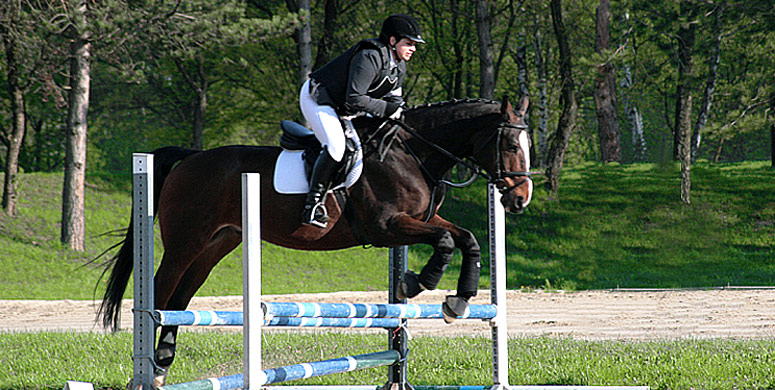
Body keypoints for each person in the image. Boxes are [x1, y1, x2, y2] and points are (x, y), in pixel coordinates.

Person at [298, 13, 425, 228]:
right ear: (392, 41)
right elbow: (355, 97)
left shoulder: (399, 66)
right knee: (337, 147)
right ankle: (313, 205)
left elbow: (395, 101)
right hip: (318, 98)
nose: (413, 48)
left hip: (345, 106)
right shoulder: (370, 56)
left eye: (414, 44)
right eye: (408, 43)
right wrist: (387, 109)